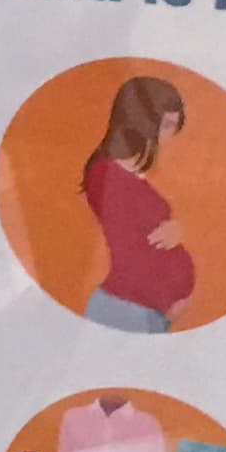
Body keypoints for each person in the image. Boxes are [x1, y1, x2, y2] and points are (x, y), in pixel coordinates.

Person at [81, 71, 193, 332]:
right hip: (126, 310)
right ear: (139, 119)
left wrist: (176, 230)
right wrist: (166, 298)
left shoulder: (131, 177)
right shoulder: (106, 175)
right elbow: (131, 247)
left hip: (142, 312)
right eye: (165, 125)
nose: (167, 137)